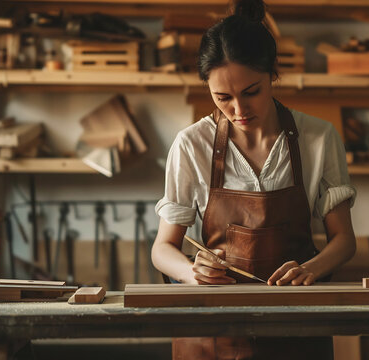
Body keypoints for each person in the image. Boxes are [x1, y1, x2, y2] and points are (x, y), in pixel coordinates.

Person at [151, 0, 357, 358]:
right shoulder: (191, 145)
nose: (238, 110)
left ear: (273, 73)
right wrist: (191, 272)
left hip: (297, 326)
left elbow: (344, 240)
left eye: (251, 92)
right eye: (222, 98)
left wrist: (309, 269)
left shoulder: (318, 138)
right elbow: (162, 248)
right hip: (214, 329)